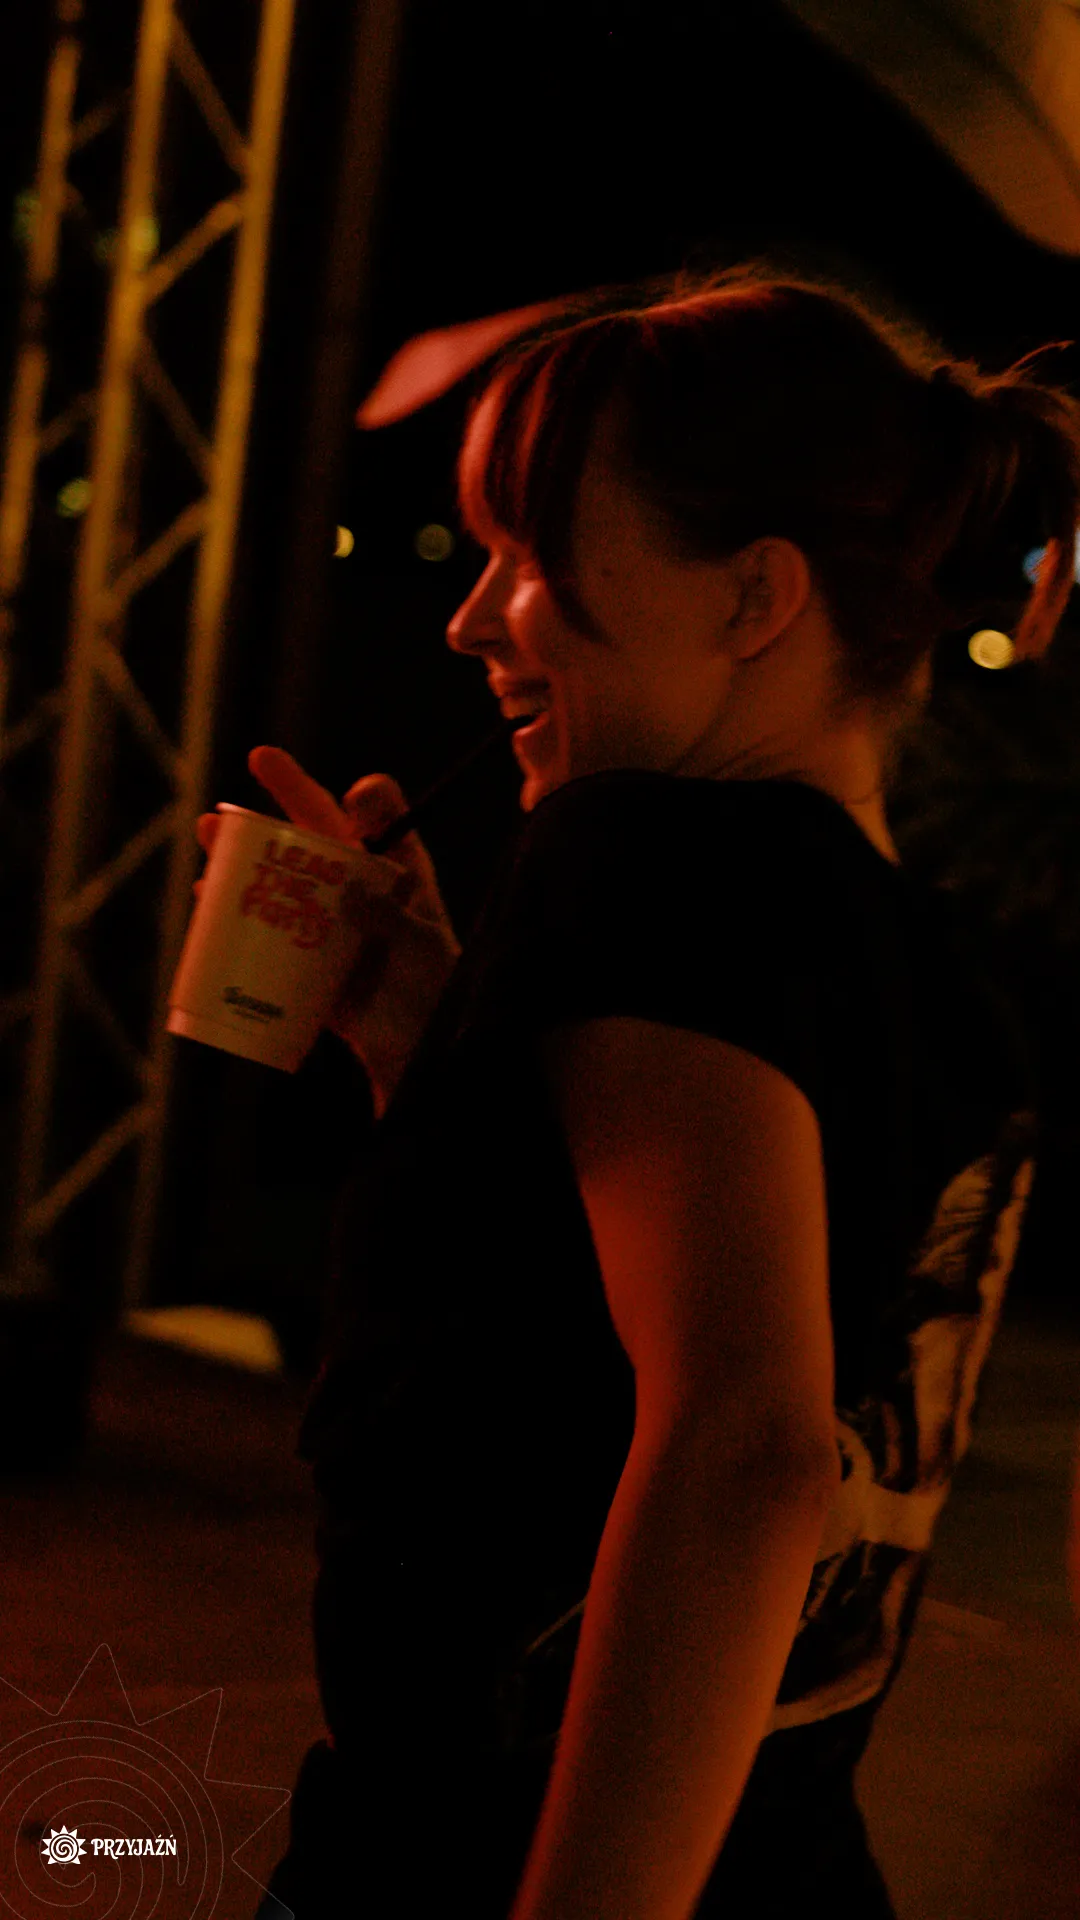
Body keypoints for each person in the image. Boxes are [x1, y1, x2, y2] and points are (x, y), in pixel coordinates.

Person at [227, 267, 1080, 1919]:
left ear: (756, 594)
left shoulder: (634, 866)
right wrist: (424, 1036)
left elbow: (745, 1446)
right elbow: (578, 1358)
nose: (473, 620)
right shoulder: (937, 980)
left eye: (532, 556)